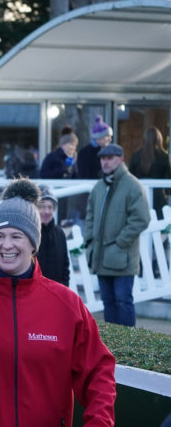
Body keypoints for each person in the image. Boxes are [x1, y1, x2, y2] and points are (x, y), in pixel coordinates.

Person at [0, 179, 116, 426]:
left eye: (16, 236)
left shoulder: (67, 305)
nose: (6, 245)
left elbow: (98, 371)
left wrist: (99, 422)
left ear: (33, 243)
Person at [85, 144, 150, 327]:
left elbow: (141, 219)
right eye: (102, 158)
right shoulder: (99, 187)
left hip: (123, 258)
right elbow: (89, 215)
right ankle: (111, 347)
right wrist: (89, 241)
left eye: (109, 158)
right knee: (108, 303)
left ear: (120, 159)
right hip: (101, 256)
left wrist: (120, 243)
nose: (105, 162)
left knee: (123, 301)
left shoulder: (133, 186)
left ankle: (128, 348)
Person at [128, 126, 171, 219]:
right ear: (159, 139)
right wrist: (167, 193)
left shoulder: (136, 155)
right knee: (159, 226)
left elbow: (130, 176)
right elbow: (168, 178)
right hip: (158, 197)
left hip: (139, 195)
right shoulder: (164, 156)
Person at [37, 185, 70, 286]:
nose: (46, 211)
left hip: (56, 289)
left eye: (50, 207)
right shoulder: (29, 233)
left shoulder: (59, 233)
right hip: (34, 290)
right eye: (42, 207)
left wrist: (64, 287)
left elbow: (65, 264)